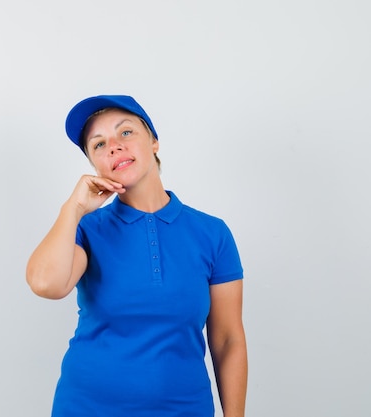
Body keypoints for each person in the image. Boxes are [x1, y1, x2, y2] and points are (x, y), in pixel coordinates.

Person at [26, 95, 247, 417]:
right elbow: (46, 284)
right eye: (99, 144)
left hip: (185, 409)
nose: (114, 146)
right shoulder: (87, 229)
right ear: (94, 165)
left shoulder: (212, 233)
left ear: (154, 142)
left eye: (125, 133)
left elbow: (227, 340)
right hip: (87, 408)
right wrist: (72, 209)